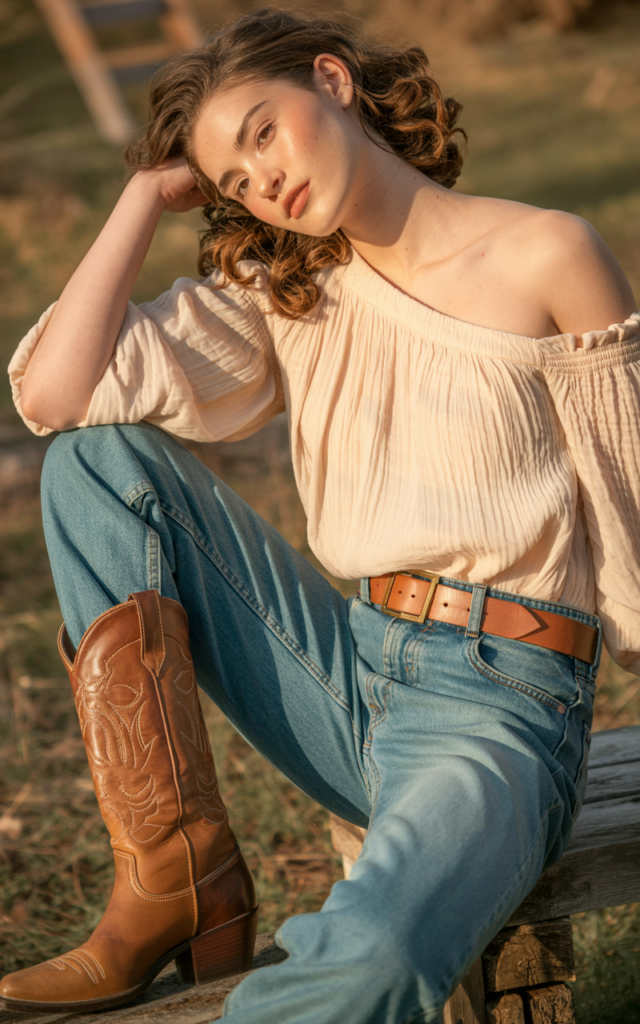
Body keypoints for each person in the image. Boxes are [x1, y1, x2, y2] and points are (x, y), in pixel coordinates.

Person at [1, 7, 639, 1021]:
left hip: (499, 708)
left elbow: (630, 497)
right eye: (235, 182)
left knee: (371, 957)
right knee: (96, 458)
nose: (264, 182)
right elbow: (54, 396)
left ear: (332, 83)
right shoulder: (287, 289)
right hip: (346, 670)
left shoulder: (547, 253)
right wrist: (139, 198)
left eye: (263, 132)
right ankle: (172, 874)